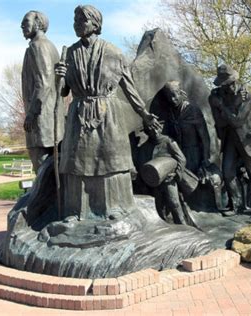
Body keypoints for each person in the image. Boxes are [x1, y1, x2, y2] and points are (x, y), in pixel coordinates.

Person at [55, 5, 159, 220]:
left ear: (95, 24)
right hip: (79, 113)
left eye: (81, 20)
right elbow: (63, 91)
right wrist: (60, 76)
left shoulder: (113, 52)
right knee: (78, 162)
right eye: (74, 20)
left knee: (109, 161)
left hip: (107, 114)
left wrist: (144, 114)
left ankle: (114, 208)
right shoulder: (70, 53)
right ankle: (77, 212)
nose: (76, 24)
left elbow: (129, 88)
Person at [209, 65, 251, 217]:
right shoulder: (216, 95)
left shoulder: (247, 96)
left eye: (230, 83)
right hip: (230, 140)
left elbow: (238, 121)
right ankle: (236, 205)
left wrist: (222, 107)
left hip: (248, 139)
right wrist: (230, 108)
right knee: (227, 172)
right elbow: (220, 123)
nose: (230, 87)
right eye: (226, 84)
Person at [21, 11, 64, 173]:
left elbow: (44, 84)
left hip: (42, 121)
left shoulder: (38, 47)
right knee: (49, 170)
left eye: (26, 22)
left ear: (38, 23)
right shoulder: (50, 46)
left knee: (42, 170)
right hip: (50, 119)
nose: (22, 26)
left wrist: (31, 114)